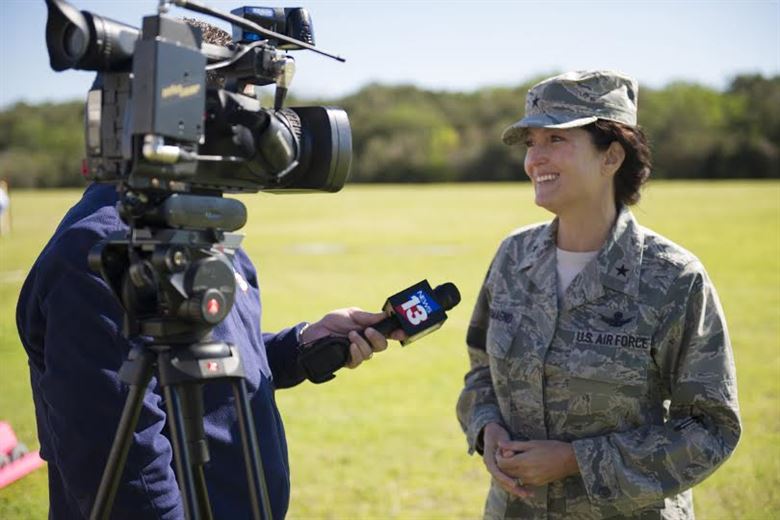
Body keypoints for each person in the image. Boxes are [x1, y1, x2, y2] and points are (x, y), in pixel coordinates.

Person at [16, 21, 404, 520]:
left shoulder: (195, 227)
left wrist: (299, 346)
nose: (265, 135)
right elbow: (123, 463)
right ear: (179, 117)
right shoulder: (100, 253)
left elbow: (192, 361)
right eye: (245, 108)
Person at [456, 70, 741, 519]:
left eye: (556, 139)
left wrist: (575, 461)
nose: (535, 159)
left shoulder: (672, 278)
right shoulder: (513, 257)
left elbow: (710, 429)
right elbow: (480, 372)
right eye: (531, 142)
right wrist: (485, 427)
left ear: (611, 156)